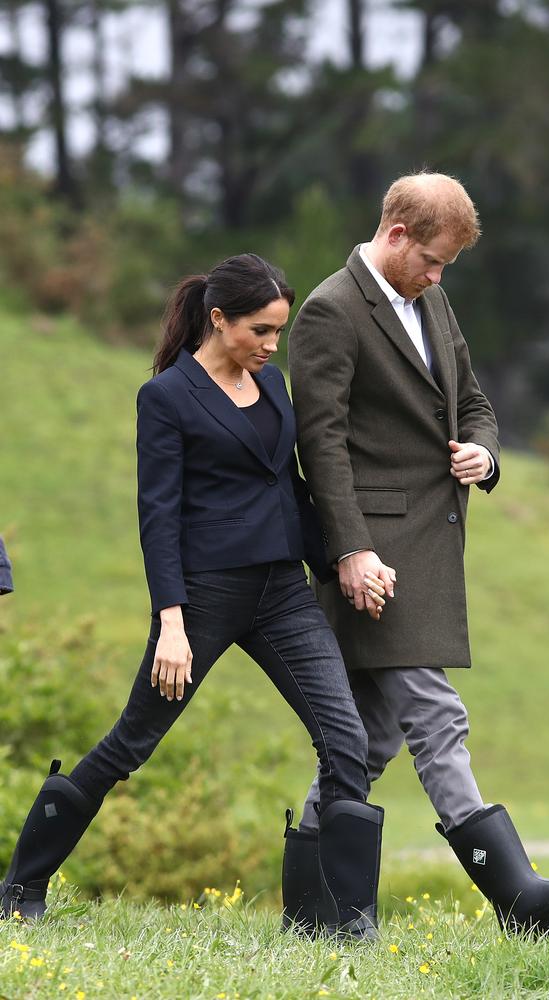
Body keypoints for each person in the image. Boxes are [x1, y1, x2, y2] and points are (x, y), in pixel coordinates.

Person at [0, 253, 385, 939]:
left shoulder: (272, 388)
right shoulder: (167, 398)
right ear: (217, 318)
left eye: (278, 332)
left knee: (346, 740)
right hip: (203, 597)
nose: (272, 345)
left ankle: (339, 919)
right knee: (130, 745)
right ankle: (23, 883)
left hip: (282, 592)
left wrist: (344, 563)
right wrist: (170, 622)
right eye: (261, 331)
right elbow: (159, 517)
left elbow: (289, 489)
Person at [283, 173, 549, 934]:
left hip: (431, 547)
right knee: (435, 716)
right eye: (432, 260)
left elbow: (476, 405)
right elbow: (319, 445)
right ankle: (517, 894)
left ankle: (309, 904)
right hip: (375, 561)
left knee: (365, 740)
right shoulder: (331, 311)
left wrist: (486, 458)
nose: (438, 276)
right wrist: (352, 552)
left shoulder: (431, 299)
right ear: (395, 235)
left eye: (447, 267)